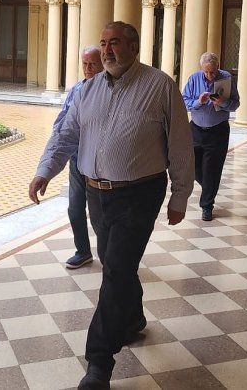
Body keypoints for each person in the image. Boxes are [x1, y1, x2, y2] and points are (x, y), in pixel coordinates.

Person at [28, 21, 194, 389]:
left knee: (116, 270)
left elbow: (180, 145)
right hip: (95, 194)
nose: (107, 51)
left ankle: (99, 362)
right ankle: (132, 318)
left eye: (115, 43)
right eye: (103, 43)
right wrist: (45, 171)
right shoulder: (87, 90)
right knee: (116, 265)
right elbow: (66, 134)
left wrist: (180, 195)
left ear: (134, 47)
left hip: (139, 194)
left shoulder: (159, 86)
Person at [52, 46, 103, 269]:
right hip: (76, 159)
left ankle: (109, 254)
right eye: (84, 64)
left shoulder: (107, 91)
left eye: (92, 63)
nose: (88, 68)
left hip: (98, 162)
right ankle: (82, 251)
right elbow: (63, 119)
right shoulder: (76, 89)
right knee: (74, 208)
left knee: (100, 212)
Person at [182, 52, 240, 221]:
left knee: (212, 170)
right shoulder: (194, 79)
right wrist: (199, 102)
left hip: (218, 130)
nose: (210, 75)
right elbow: (184, 101)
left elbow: (236, 104)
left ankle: (207, 206)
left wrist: (222, 103)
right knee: (191, 166)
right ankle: (209, 186)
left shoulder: (226, 78)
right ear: (202, 69)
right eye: (207, 72)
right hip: (196, 129)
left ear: (218, 67)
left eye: (213, 72)